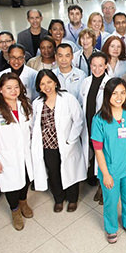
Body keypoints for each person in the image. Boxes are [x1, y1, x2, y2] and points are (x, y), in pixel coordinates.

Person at [0, 73, 43, 231]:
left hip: (25, 152)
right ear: (0, 89)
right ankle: (15, 210)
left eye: (16, 87)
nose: (13, 91)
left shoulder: (24, 104)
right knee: (11, 185)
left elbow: (32, 127)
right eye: (9, 88)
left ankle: (23, 201)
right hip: (6, 156)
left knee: (26, 178)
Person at [91, 78, 126, 243]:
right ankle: (111, 228)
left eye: (122, 92)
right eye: (114, 93)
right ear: (107, 96)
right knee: (111, 202)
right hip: (110, 170)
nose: (119, 97)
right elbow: (98, 150)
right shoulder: (99, 119)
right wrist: (105, 174)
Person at [32, 70, 87, 213]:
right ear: (39, 87)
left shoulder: (67, 98)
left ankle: (73, 199)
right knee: (54, 173)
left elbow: (79, 120)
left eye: (49, 82)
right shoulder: (37, 103)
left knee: (70, 170)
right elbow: (33, 126)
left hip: (67, 143)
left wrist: (71, 140)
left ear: (55, 82)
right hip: (47, 146)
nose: (47, 86)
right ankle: (58, 199)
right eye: (42, 84)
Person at [80, 52, 111, 202]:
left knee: (103, 157)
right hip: (88, 124)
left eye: (100, 65)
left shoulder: (110, 83)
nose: (97, 69)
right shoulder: (85, 82)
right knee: (93, 155)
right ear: (90, 66)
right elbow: (82, 103)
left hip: (104, 128)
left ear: (106, 66)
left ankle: (103, 187)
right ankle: (97, 181)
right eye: (94, 65)